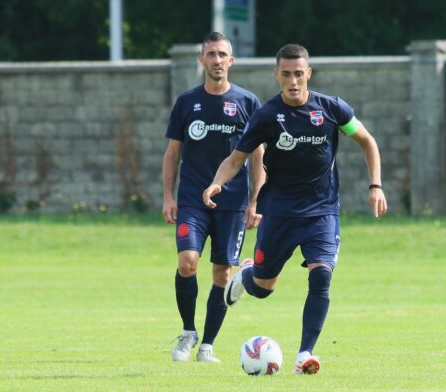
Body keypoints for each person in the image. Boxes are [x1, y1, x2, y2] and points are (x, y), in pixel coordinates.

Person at [203, 43, 387, 374]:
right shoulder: (266, 116)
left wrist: (375, 185)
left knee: (322, 276)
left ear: (308, 74)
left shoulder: (332, 109)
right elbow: (236, 158)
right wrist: (218, 182)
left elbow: (367, 141)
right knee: (263, 289)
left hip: (322, 211)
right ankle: (247, 275)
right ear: (277, 75)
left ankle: (305, 355)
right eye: (286, 74)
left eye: (298, 74)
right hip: (279, 212)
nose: (293, 81)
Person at [162, 32, 265, 363]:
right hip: (192, 199)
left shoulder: (248, 103)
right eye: (211, 54)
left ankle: (207, 344)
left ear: (231, 61)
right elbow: (172, 153)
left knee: (222, 276)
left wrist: (256, 201)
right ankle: (188, 331)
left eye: (222, 54)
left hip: (233, 204)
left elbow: (259, 156)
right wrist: (167, 195)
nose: (217, 60)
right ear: (202, 60)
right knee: (187, 262)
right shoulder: (186, 102)